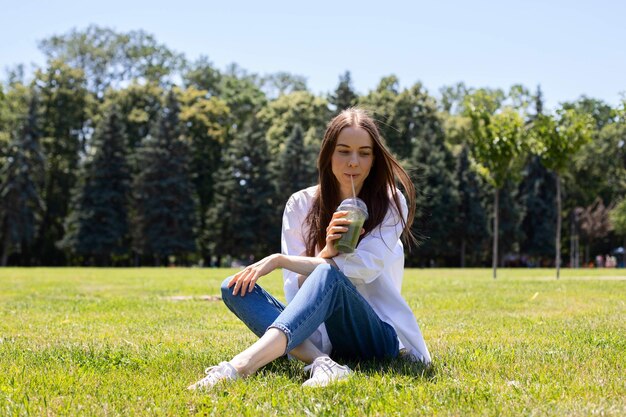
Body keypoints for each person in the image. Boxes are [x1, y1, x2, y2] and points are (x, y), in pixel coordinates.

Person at [188, 108, 431, 390]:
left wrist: (280, 260)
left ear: (374, 159)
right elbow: (298, 291)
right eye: (344, 151)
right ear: (328, 154)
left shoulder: (391, 202)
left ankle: (240, 366)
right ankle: (323, 363)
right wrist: (326, 251)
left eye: (364, 153)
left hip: (373, 335)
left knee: (329, 274)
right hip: (319, 335)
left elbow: (362, 269)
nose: (354, 162)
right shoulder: (300, 204)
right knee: (235, 287)